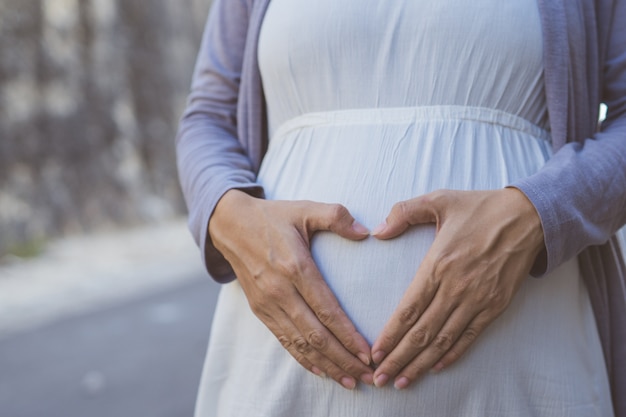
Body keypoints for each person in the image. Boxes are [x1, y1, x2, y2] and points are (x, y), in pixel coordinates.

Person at [176, 0, 626, 416]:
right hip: (278, 365)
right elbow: (209, 118)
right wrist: (229, 214)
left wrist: (538, 212)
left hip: (526, 358)